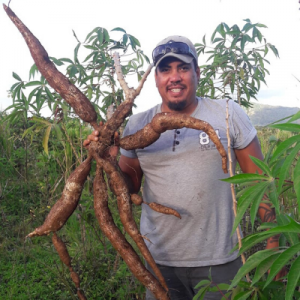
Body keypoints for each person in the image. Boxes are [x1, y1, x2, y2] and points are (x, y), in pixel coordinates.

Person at [84, 36, 281, 300]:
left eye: (183, 68)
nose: (174, 77)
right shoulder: (137, 124)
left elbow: (260, 183)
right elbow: (127, 186)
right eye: (165, 70)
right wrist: (107, 161)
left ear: (197, 73)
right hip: (160, 261)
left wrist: (273, 247)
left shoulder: (227, 114)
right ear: (156, 79)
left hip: (221, 260)